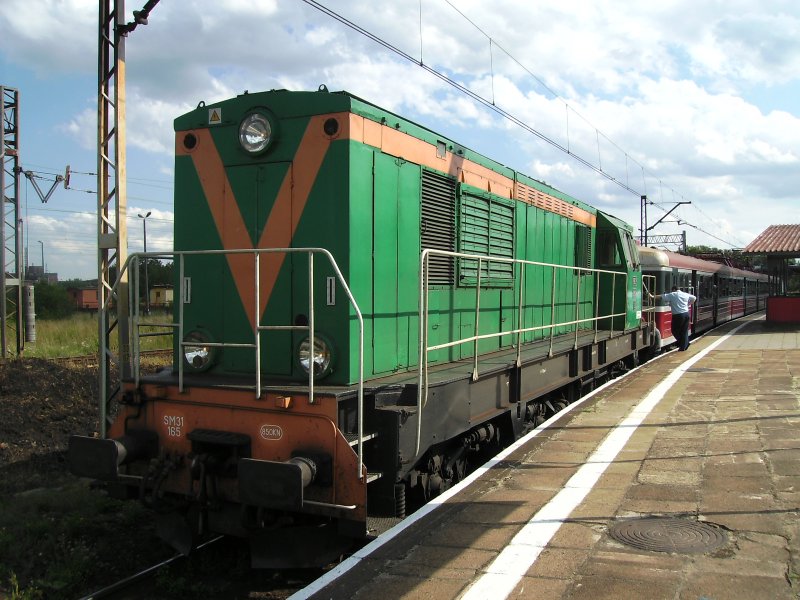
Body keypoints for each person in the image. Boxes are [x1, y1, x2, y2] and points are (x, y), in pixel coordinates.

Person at [649, 286, 696, 351]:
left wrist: (652, 296)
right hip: (686, 314)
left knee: (674, 331)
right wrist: (688, 304)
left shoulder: (672, 294)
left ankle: (684, 344)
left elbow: (661, 296)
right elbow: (694, 298)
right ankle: (684, 345)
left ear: (674, 290)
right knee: (684, 331)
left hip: (678, 316)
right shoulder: (685, 294)